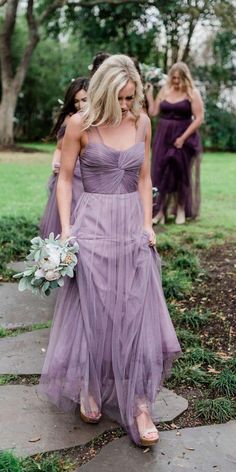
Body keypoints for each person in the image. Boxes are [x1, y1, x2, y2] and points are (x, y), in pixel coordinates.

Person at [39, 55, 181, 447]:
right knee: (93, 311)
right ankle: (89, 386)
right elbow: (65, 179)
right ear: (103, 92)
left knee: (134, 312)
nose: (125, 105)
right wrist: (67, 230)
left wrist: (148, 224)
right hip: (92, 227)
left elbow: (144, 176)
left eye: (130, 97)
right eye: (119, 98)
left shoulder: (142, 123)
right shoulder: (79, 124)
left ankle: (139, 404)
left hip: (130, 228)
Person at [146, 62, 204, 225]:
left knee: (180, 173)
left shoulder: (192, 93)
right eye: (173, 77)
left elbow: (199, 118)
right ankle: (160, 211)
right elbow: (154, 112)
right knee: (159, 172)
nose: (176, 81)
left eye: (179, 78)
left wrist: (183, 138)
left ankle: (180, 209)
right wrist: (150, 94)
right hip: (163, 137)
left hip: (183, 137)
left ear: (185, 78)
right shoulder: (165, 91)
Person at [39, 77, 89, 238]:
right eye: (76, 101)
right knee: (66, 219)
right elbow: (59, 148)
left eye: (84, 100)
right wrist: (55, 160)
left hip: (87, 177)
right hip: (69, 174)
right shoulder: (70, 119)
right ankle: (64, 257)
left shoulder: (99, 121)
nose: (80, 105)